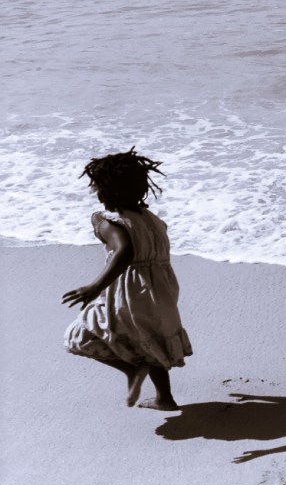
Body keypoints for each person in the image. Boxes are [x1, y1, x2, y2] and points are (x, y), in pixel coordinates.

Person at [63, 148, 192, 410]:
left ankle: (132, 370)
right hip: (161, 290)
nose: (93, 191)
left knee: (79, 335)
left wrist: (95, 287)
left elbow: (125, 251)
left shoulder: (107, 222)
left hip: (130, 290)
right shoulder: (153, 220)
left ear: (107, 190)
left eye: (96, 186)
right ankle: (164, 398)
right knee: (150, 338)